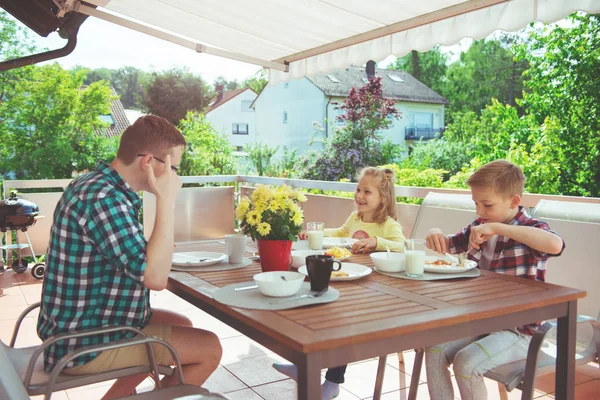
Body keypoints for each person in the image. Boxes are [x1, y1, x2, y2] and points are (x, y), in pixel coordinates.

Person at [36, 115, 222, 399]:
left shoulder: (98, 185)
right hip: (82, 342)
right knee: (209, 348)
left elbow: (131, 254)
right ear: (148, 162)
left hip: (84, 324)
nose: (176, 178)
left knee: (181, 325)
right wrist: (166, 200)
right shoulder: (103, 199)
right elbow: (155, 278)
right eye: (172, 168)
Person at [423, 160, 565, 400]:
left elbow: (555, 244)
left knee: (466, 363)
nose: (479, 211)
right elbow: (449, 244)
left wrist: (500, 228)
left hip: (519, 329)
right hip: (482, 321)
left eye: (487, 205)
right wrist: (434, 233)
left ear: (513, 201)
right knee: (435, 349)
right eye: (476, 203)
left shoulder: (530, 228)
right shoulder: (479, 226)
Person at [273, 166, 406, 400]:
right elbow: (341, 233)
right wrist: (317, 233)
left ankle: (333, 382)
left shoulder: (388, 225)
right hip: (346, 277)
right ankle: (304, 366)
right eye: (358, 190)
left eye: (367, 192)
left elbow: (402, 246)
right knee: (317, 311)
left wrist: (377, 241)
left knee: (342, 323)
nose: (359, 196)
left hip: (373, 289)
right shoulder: (355, 218)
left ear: (383, 198)